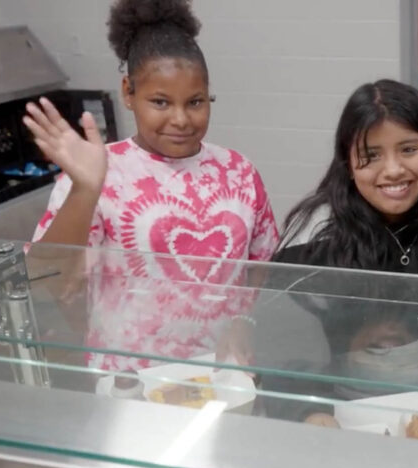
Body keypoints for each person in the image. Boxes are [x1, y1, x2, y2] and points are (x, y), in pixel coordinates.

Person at [244, 80, 418, 445]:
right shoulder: (319, 233)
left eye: (408, 149)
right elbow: (288, 341)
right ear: (347, 161)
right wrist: (310, 413)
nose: (393, 170)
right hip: (346, 411)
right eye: (371, 155)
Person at [23, 0, 279, 370]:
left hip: (224, 368)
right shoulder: (97, 173)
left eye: (195, 102)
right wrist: (85, 189)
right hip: (129, 375)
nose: (181, 119)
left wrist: (244, 321)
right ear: (128, 92)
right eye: (160, 102)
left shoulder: (239, 171)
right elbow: (43, 280)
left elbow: (262, 264)